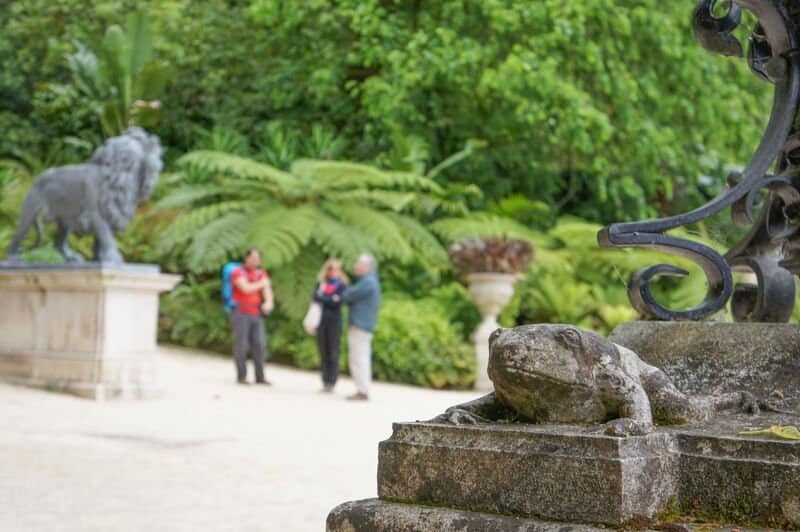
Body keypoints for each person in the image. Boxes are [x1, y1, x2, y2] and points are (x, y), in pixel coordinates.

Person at [230, 247, 274, 385]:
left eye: (258, 259)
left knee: (259, 344)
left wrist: (269, 302)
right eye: (252, 258)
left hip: (255, 313)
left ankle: (260, 376)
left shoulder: (261, 273)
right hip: (240, 312)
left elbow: (267, 291)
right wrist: (262, 283)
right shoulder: (238, 272)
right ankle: (241, 376)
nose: (255, 261)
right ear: (246, 258)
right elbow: (245, 288)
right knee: (241, 345)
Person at [341, 254, 381, 401]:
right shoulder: (369, 281)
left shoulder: (368, 282)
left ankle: (362, 390)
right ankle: (362, 389)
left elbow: (347, 295)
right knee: (360, 357)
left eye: (358, 264)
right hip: (363, 326)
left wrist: (342, 284)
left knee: (359, 358)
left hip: (360, 326)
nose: (356, 266)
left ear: (367, 266)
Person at [312, 258, 349, 393]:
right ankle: (324, 379)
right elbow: (315, 297)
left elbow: (338, 302)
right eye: (330, 268)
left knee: (333, 351)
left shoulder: (342, 286)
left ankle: (332, 380)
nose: (333, 271)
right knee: (323, 350)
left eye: (336, 268)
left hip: (335, 322)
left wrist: (325, 298)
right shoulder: (321, 284)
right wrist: (331, 298)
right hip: (321, 321)